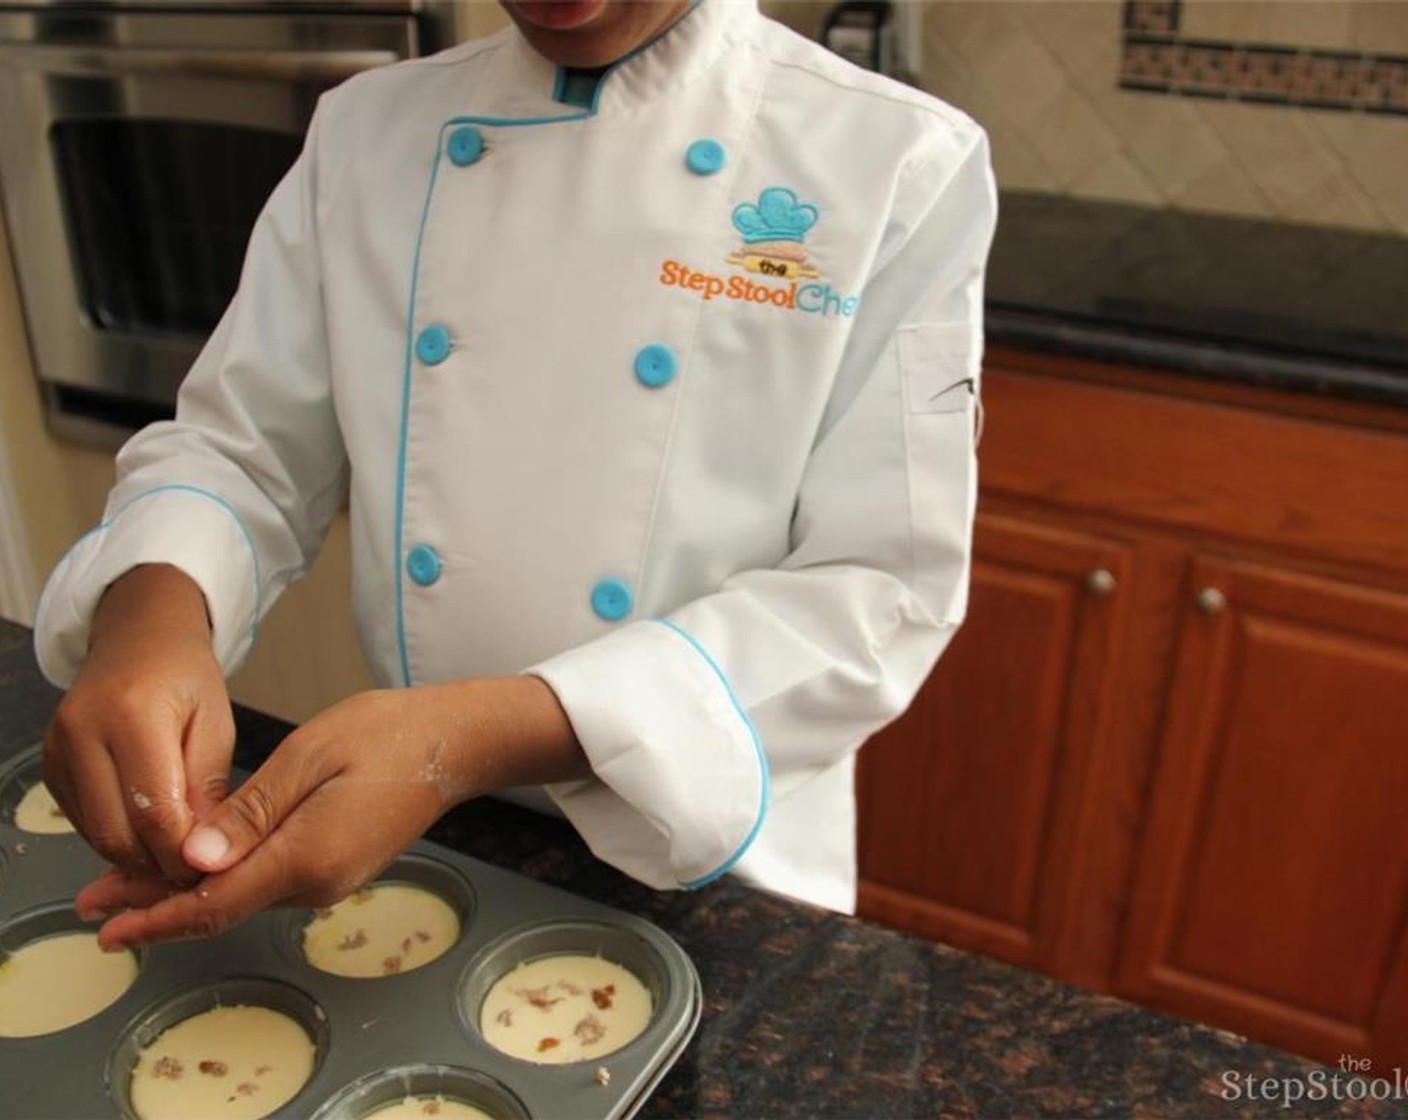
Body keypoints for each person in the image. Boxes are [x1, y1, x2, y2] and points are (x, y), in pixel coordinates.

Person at [34, 0, 997, 950]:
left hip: (715, 854)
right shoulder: (369, 129)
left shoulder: (895, 161)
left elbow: (879, 589)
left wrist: (468, 740)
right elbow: (243, 446)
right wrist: (150, 617)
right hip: (418, 833)